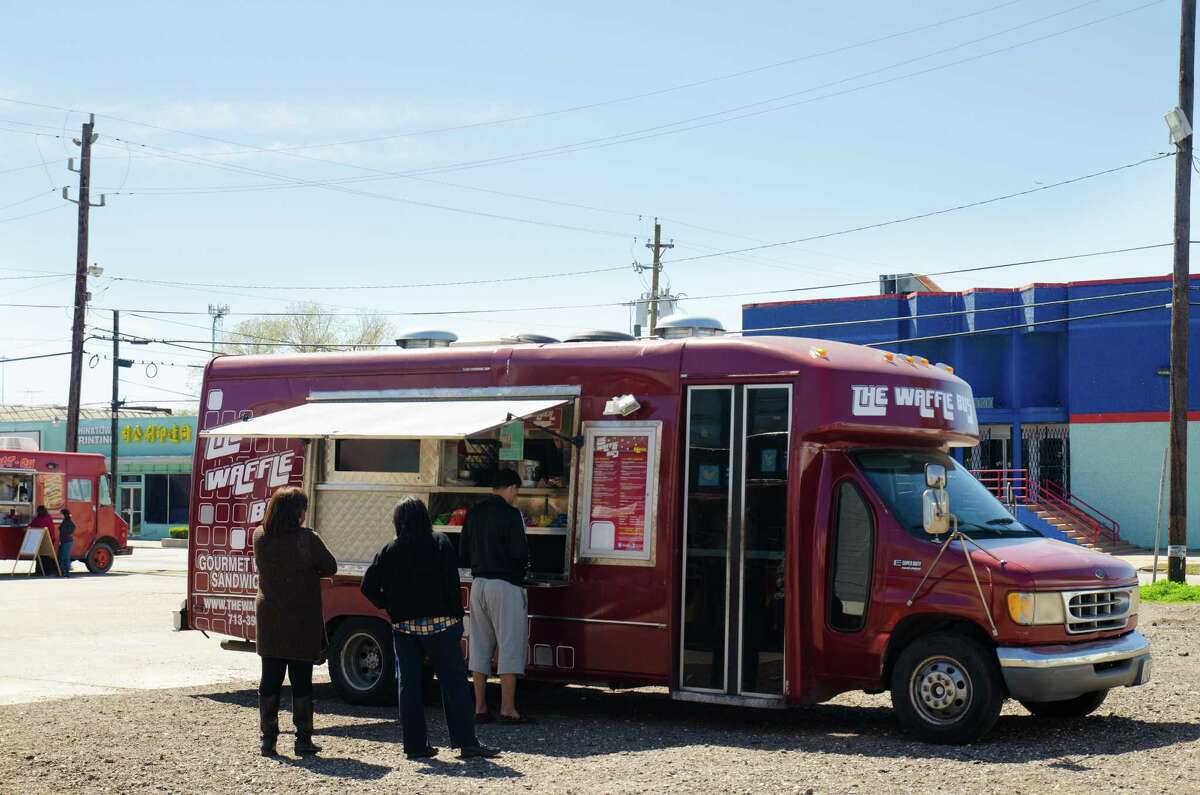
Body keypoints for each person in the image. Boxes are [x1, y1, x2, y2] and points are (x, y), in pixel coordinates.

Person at [361, 498, 500, 761]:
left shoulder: (390, 549)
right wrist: (456, 615)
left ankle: (415, 746)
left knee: (409, 687)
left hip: (404, 628)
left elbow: (367, 587)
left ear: (398, 520)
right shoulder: (440, 543)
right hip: (442, 626)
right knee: (454, 684)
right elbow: (451, 582)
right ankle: (466, 743)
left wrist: (389, 607)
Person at [253, 487, 337, 757]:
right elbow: (330, 566)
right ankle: (303, 739)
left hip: (270, 616)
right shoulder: (307, 539)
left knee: (270, 679)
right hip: (301, 617)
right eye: (303, 507)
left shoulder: (259, 536)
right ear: (296, 512)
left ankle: (268, 740)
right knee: (301, 680)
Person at [459, 469, 533, 724]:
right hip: (505, 585)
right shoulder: (512, 515)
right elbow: (519, 553)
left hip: (478, 584)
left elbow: (464, 553)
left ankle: (479, 707)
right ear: (511, 488)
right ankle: (508, 709)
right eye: (516, 491)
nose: (516, 496)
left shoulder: (474, 512)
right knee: (509, 646)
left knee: (480, 646)